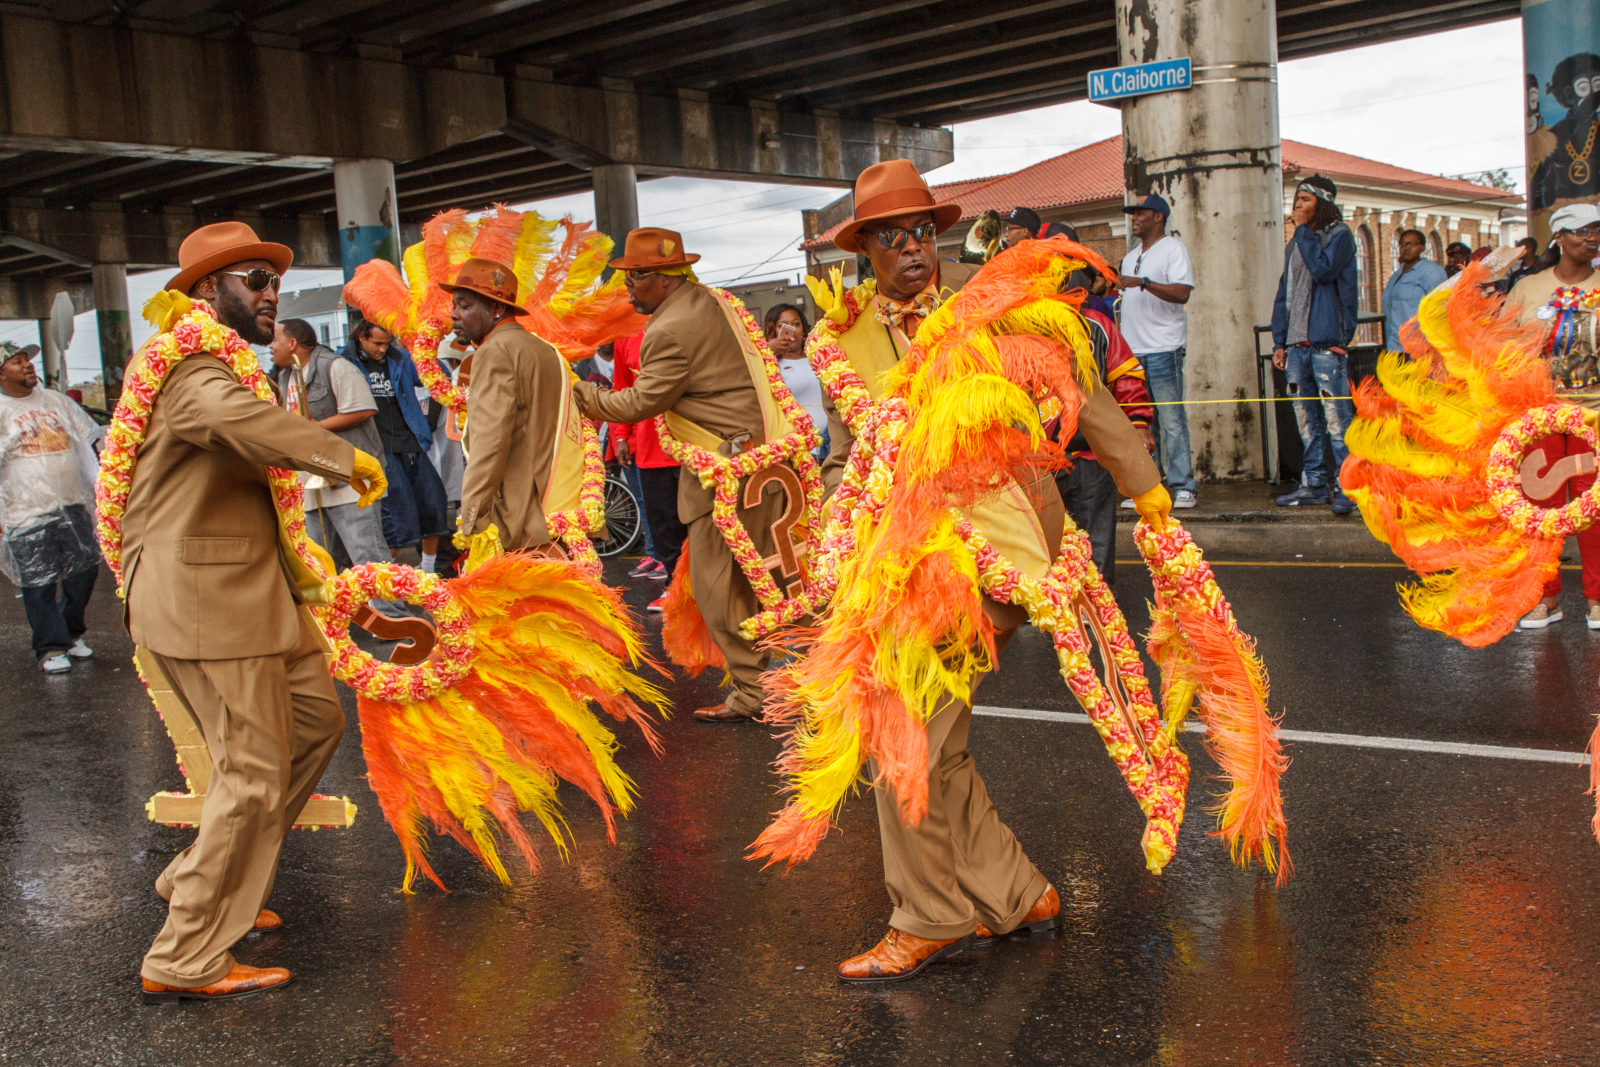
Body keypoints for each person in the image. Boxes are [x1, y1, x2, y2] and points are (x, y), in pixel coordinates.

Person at [808, 159, 1169, 982]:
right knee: (938, 741)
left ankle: (929, 915)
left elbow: (1088, 395)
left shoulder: (995, 307)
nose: (908, 250)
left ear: (936, 238)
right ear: (864, 248)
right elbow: (846, 453)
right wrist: (841, 512)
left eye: (918, 234)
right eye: (888, 238)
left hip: (995, 552)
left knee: (904, 732)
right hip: (901, 568)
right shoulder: (843, 341)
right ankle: (1017, 892)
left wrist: (1150, 498)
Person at [129, 221, 386, 1003]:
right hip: (208, 597)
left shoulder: (229, 359)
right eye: (254, 278)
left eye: (273, 279)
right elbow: (225, 421)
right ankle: (185, 953)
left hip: (254, 591)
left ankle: (197, 880)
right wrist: (340, 452)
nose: (272, 292)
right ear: (209, 290)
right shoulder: (192, 362)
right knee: (251, 769)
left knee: (313, 725)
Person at [571, 228, 792, 724]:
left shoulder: (670, 328)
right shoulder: (716, 300)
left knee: (716, 589)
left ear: (663, 278)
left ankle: (756, 693)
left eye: (634, 277)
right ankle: (796, 683)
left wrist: (582, 393)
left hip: (725, 474)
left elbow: (640, 403)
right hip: (764, 462)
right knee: (770, 581)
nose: (625, 286)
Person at [444, 256, 592, 561]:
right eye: (454, 305)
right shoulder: (544, 349)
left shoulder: (494, 351)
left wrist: (471, 520)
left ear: (497, 309)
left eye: (464, 305)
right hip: (558, 505)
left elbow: (491, 442)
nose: (454, 315)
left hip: (520, 520)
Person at [1506, 203, 1600, 630]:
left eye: (1597, 230)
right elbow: (1501, 348)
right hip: (1538, 416)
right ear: (1559, 237)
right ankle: (1545, 599)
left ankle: (1598, 600)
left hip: (1592, 416)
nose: (1592, 237)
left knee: (1591, 510)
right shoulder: (1527, 288)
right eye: (1582, 231)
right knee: (1540, 510)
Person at [0, 342, 101, 673]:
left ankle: (71, 633)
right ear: (1, 373)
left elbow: (88, 442)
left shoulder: (56, 401)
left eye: (27, 359)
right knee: (38, 582)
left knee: (84, 573)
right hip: (25, 513)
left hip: (72, 505)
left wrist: (98, 493)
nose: (28, 365)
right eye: (17, 362)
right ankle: (51, 647)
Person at [267, 318, 390, 571]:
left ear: (292, 343)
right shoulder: (283, 377)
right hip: (311, 488)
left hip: (349, 486)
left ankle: (392, 612)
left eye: (274, 339)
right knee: (326, 567)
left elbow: (364, 409)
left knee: (369, 562)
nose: (269, 346)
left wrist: (315, 427)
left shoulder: (335, 366)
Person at [1053, 284, 1156, 587]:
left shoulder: (1097, 322)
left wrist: (1138, 422)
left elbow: (1125, 373)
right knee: (1044, 543)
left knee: (1094, 541)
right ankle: (1051, 613)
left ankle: (1097, 611)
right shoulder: (1012, 324)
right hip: (1037, 461)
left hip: (1090, 453)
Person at [1270, 175, 1359, 515]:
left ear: (1322, 203)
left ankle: (1348, 488)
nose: (1297, 205)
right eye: (1296, 199)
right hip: (1296, 346)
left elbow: (1323, 271)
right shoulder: (1295, 243)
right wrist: (1280, 340)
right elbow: (1284, 293)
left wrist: (1303, 231)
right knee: (1307, 420)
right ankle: (1315, 485)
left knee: (1337, 420)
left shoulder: (1339, 236)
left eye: (1304, 200)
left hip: (1326, 344)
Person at [342, 319, 447, 572]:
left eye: (387, 343)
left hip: (412, 443)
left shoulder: (398, 357)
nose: (382, 348)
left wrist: (419, 348)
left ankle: (429, 571)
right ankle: (386, 580)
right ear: (361, 338)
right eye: (377, 343)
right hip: (379, 451)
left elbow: (437, 373)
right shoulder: (344, 363)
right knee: (398, 520)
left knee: (434, 506)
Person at [1116, 193, 1197, 509]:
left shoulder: (1173, 250)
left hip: (1164, 347)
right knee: (1140, 421)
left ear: (1158, 217)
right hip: (1133, 351)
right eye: (1132, 213)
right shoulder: (1130, 255)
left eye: (1140, 212)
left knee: (1172, 419)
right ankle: (1148, 488)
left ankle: (1183, 487)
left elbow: (1182, 293)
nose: (1134, 217)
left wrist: (1143, 282)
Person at [609, 330, 684, 610]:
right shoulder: (624, 336)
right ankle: (673, 589)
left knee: (700, 526)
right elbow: (623, 389)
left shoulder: (682, 321)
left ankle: (706, 592)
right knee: (663, 527)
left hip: (694, 446)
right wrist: (620, 436)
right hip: (650, 448)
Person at [764, 303, 829, 462]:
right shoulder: (770, 365)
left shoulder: (820, 357)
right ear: (772, 330)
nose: (791, 329)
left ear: (803, 328)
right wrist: (765, 351)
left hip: (833, 445)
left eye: (796, 324)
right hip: (800, 450)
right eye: (782, 325)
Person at [1380, 229, 1448, 352]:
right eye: (1403, 244)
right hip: (1394, 347)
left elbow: (1440, 310)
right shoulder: (1396, 276)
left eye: (1412, 244)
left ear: (1422, 247)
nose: (1406, 248)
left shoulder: (1432, 272)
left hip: (1420, 348)